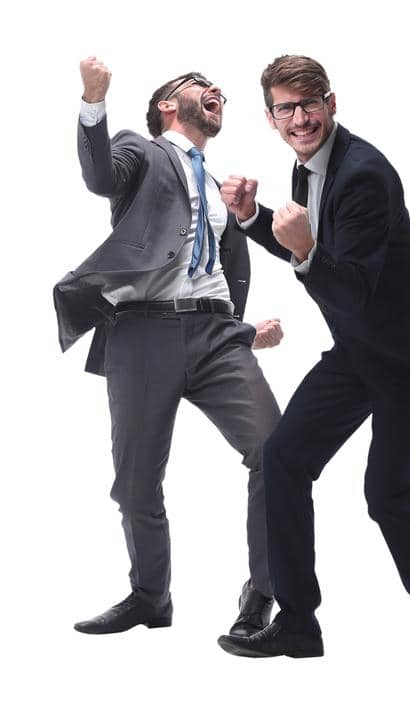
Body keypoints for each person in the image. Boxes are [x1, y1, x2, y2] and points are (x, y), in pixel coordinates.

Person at [215, 55, 410, 659]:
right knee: (284, 459)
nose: (300, 117)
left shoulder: (364, 171)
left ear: (331, 104)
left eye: (309, 104)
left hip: (407, 352)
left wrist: (305, 245)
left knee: (387, 495)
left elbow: (350, 285)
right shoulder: (307, 166)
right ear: (270, 118)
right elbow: (310, 250)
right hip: (357, 349)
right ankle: (297, 625)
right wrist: (251, 219)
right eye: (286, 108)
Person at [55, 57, 284, 639]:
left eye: (220, 90)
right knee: (135, 480)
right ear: (166, 105)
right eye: (199, 84)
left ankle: (262, 594)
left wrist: (242, 326)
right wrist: (92, 101)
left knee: (278, 452)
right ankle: (150, 595)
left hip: (215, 336)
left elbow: (222, 269)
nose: (216, 91)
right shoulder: (144, 151)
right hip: (142, 333)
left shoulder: (222, 185)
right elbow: (101, 176)